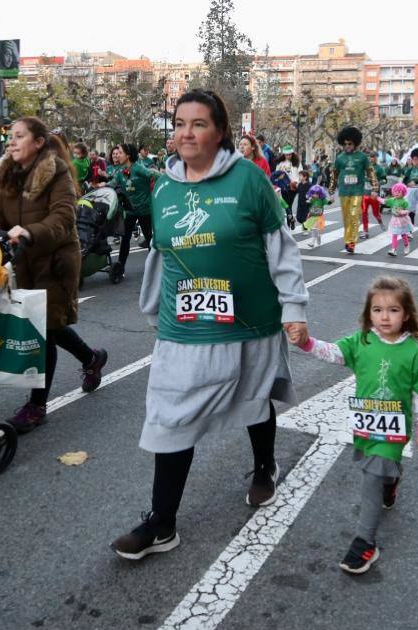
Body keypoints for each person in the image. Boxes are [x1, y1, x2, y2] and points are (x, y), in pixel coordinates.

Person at [110, 89, 308, 560]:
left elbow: (281, 250)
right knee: (170, 413)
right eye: (179, 123)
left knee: (254, 400)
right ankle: (162, 524)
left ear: (220, 131)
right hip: (186, 324)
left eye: (198, 124)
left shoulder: (248, 180)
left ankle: (264, 466)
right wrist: (156, 311)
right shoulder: (163, 187)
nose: (186, 133)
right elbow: (162, 256)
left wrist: (294, 309)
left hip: (250, 321)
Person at [291, 276, 418, 574]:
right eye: (377, 310)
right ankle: (391, 481)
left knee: (371, 477)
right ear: (368, 313)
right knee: (378, 472)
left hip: (394, 430)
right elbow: (333, 352)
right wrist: (306, 342)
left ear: (406, 314)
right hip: (367, 425)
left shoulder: (413, 353)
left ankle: (364, 543)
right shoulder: (362, 341)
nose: (385, 316)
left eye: (393, 310)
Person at [0, 116, 108, 433]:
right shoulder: (7, 172)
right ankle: (91, 358)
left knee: (44, 328)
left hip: (55, 258)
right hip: (22, 259)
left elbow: (64, 217)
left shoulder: (57, 172)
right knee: (49, 323)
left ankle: (37, 406)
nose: (11, 141)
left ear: (38, 142)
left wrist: (31, 231)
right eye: (10, 136)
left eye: (19, 136)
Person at [108, 143, 162, 278]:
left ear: (127, 155)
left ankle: (154, 269)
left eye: (120, 153)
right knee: (125, 239)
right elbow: (112, 184)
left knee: (150, 239)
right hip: (130, 210)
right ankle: (120, 269)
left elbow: (156, 176)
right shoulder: (120, 171)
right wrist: (99, 187)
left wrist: (159, 190)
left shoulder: (139, 168)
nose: (117, 155)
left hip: (145, 210)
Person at [328, 126, 378, 254]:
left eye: (350, 143)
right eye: (345, 144)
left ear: (355, 143)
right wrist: (331, 190)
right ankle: (347, 240)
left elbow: (371, 172)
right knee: (346, 218)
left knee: (354, 216)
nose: (347, 146)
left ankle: (351, 242)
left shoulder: (362, 157)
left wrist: (374, 188)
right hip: (344, 192)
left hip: (357, 191)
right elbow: (334, 174)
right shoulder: (339, 157)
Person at [384, 183, 413, 257]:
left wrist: (402, 212)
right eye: (395, 191)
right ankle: (394, 250)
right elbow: (384, 201)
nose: (396, 193)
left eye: (399, 192)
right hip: (394, 220)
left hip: (402, 220)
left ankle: (406, 245)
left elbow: (408, 210)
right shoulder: (392, 200)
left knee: (403, 234)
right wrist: (377, 198)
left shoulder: (404, 201)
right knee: (394, 234)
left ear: (403, 192)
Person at [303, 183, 330, 248]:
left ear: (320, 194)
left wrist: (331, 200)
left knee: (314, 228)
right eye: (313, 193)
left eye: (316, 193)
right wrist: (308, 202)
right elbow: (307, 204)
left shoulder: (322, 200)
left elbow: (328, 202)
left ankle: (312, 242)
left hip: (319, 217)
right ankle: (318, 236)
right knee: (313, 229)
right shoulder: (311, 199)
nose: (315, 195)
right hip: (312, 216)